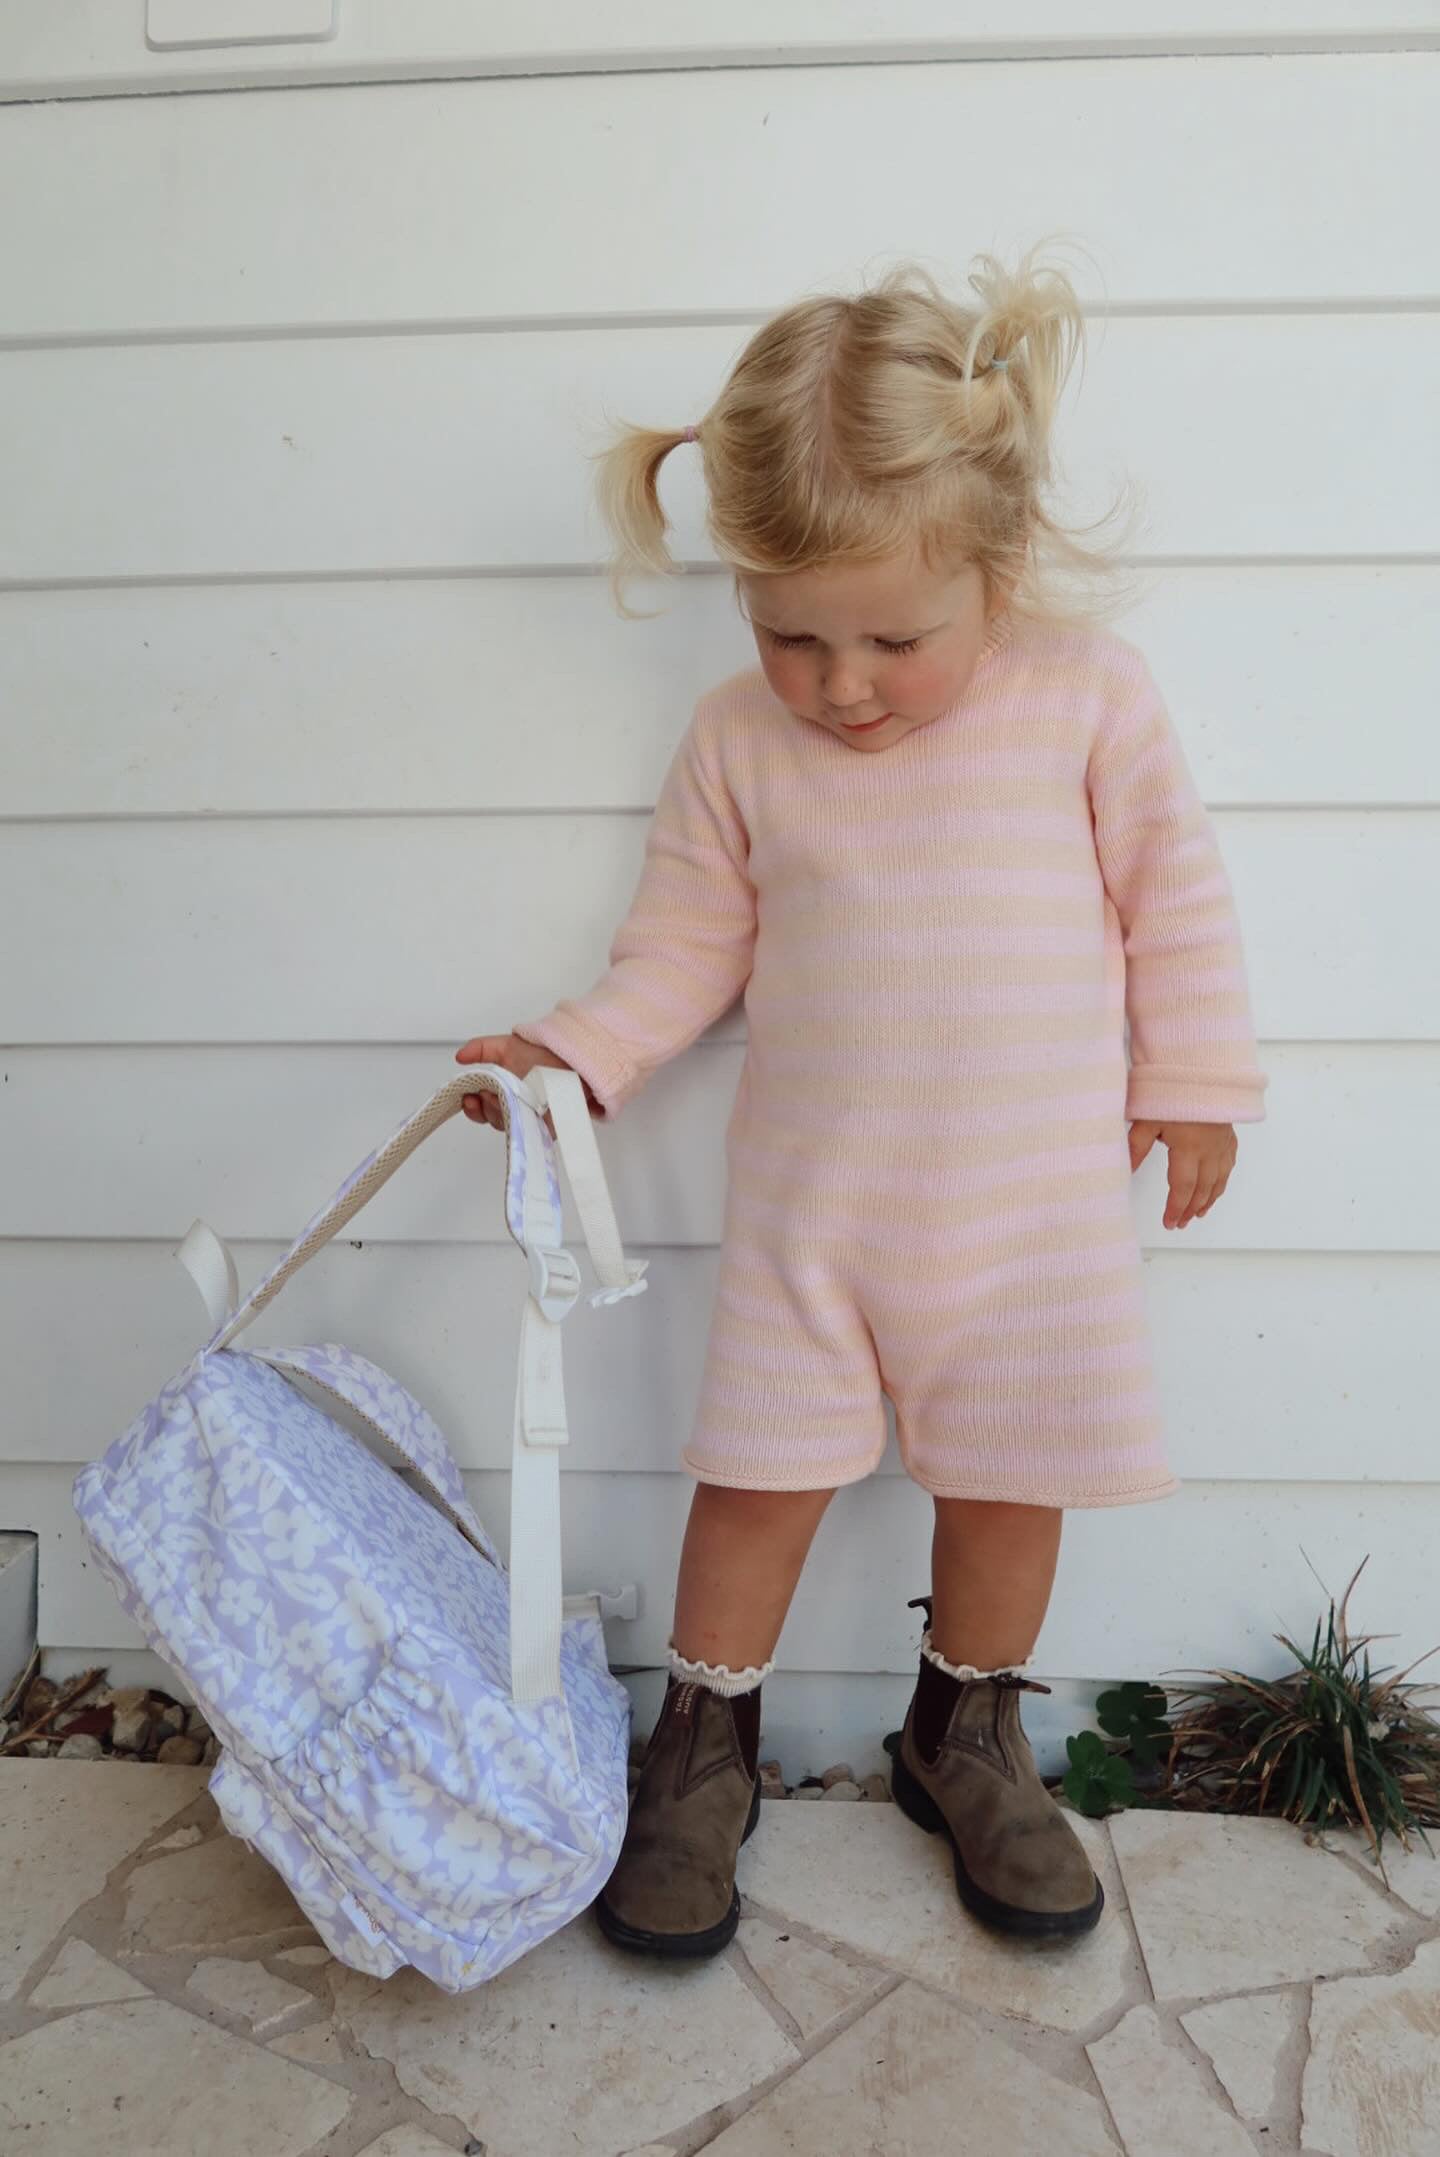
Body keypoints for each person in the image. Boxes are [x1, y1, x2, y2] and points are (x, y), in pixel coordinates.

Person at [455, 242, 1267, 1961]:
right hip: (816, 1216)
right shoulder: (740, 743)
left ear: (1002, 562)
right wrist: (578, 1058)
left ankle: (961, 1731)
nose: (840, 684)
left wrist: (1194, 1083)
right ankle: (706, 1744)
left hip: (1031, 1213)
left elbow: (1175, 897)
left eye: (895, 637)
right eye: (790, 632)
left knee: (1008, 1481)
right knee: (755, 1474)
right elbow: (682, 944)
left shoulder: (1087, 700)